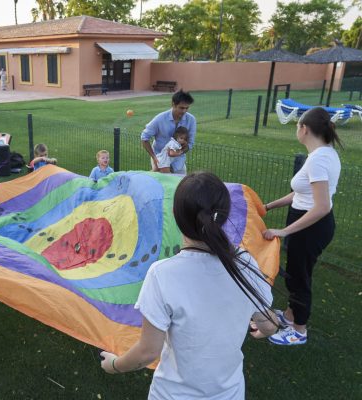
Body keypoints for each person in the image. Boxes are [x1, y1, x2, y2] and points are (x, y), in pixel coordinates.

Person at [100, 171, 278, 399]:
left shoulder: (162, 275)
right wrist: (264, 329)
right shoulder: (246, 263)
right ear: (223, 215)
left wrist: (114, 365)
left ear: (176, 216)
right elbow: (269, 323)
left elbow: (147, 352)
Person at [263, 107, 341, 346]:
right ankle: (289, 316)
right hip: (309, 224)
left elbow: (321, 207)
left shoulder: (318, 159)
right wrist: (267, 206)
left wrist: (284, 231)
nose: (297, 130)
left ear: (304, 129)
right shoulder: (324, 153)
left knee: (299, 277)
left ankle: (299, 330)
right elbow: (299, 193)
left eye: (297, 126)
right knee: (298, 272)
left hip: (311, 227)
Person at [141, 90, 196, 174]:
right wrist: (154, 158)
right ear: (173, 104)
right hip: (160, 160)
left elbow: (190, 143)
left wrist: (180, 151)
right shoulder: (160, 119)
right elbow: (144, 138)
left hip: (179, 162)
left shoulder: (191, 120)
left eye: (187, 108)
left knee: (181, 186)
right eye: (181, 108)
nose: (184, 111)